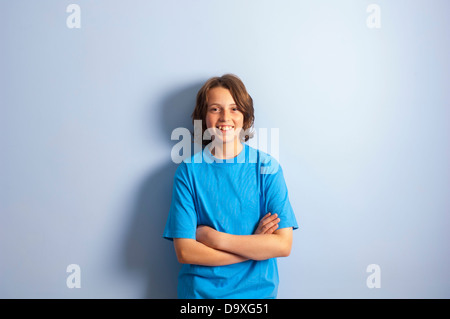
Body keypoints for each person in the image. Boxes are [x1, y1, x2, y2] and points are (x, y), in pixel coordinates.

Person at [163, 74, 298, 298]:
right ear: (203, 116)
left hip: (257, 295)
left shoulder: (267, 168)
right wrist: (255, 247)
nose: (225, 117)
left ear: (245, 116)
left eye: (234, 108)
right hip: (199, 296)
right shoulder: (189, 171)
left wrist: (216, 239)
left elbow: (283, 245)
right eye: (215, 109)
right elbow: (185, 251)